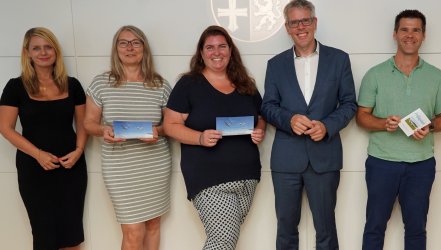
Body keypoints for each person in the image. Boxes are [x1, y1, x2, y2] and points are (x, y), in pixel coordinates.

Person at [261, 0, 357, 249]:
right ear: (287, 27)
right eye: (295, 22)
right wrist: (289, 119)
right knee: (285, 229)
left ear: (315, 23)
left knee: (326, 229)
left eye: (305, 20)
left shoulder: (339, 59)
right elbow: (268, 106)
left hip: (324, 157)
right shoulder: (275, 64)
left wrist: (327, 126)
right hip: (286, 160)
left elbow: (349, 104)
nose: (301, 27)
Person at [163, 25, 266, 250]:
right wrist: (200, 137)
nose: (216, 52)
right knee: (222, 241)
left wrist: (260, 130)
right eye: (209, 47)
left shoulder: (245, 83)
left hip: (247, 176)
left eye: (221, 46)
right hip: (209, 178)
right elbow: (170, 125)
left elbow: (260, 116)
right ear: (201, 53)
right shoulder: (189, 84)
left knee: (226, 241)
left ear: (231, 50)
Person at [356, 9, 441, 250]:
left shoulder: (436, 76)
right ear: (395, 34)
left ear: (423, 35)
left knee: (417, 229)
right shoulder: (375, 74)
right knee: (374, 226)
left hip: (421, 164)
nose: (410, 35)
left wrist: (430, 126)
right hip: (381, 163)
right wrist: (383, 124)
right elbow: (361, 117)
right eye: (405, 30)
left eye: (416, 30)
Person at [84, 25, 172, 250]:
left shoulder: (159, 84)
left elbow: (170, 125)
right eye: (123, 42)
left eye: (136, 42)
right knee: (133, 231)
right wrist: (103, 130)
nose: (130, 48)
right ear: (116, 49)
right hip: (120, 167)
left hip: (155, 163)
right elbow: (88, 123)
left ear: (144, 48)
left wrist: (158, 131)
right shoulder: (102, 83)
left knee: (153, 224)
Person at [0, 27, 87, 250]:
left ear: (55, 51)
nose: (43, 52)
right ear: (27, 52)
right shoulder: (15, 87)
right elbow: (5, 128)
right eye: (36, 48)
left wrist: (78, 151)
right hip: (34, 169)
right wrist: (38, 154)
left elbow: (83, 124)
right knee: (44, 235)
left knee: (72, 235)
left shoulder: (73, 84)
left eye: (48, 47)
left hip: (71, 167)